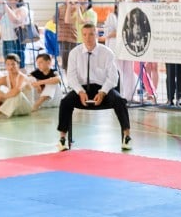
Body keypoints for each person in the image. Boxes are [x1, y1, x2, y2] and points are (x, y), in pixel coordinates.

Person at [56, 23, 132, 151]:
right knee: (65, 101)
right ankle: (62, 138)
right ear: (81, 36)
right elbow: (71, 77)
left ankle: (127, 136)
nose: (88, 37)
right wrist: (80, 91)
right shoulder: (75, 53)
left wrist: (102, 92)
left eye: (91, 34)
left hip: (103, 89)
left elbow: (113, 77)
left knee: (119, 101)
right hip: (82, 89)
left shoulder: (107, 52)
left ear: (96, 34)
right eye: (84, 34)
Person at [0, 54, 34, 120]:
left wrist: (1, 97)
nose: (11, 67)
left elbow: (17, 90)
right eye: (8, 64)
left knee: (18, 93)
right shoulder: (5, 78)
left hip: (24, 107)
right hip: (13, 107)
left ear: (18, 65)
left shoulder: (22, 77)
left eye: (13, 64)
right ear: (6, 66)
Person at [56, 0, 80, 73]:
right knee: (65, 63)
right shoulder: (60, 7)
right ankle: (68, 83)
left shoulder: (75, 6)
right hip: (62, 37)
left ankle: (73, 82)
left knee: (73, 62)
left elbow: (70, 20)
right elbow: (54, 20)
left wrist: (62, 19)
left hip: (72, 37)